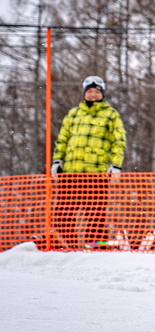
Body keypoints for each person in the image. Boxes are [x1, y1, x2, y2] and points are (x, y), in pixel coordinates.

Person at [51, 75, 127, 248]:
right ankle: (67, 246)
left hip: (96, 174)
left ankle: (95, 248)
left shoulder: (111, 115)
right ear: (84, 93)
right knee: (63, 213)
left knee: (95, 214)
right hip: (71, 173)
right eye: (90, 91)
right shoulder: (74, 114)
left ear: (102, 93)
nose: (93, 95)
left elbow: (118, 141)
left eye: (96, 91)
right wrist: (57, 160)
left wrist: (115, 164)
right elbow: (62, 139)